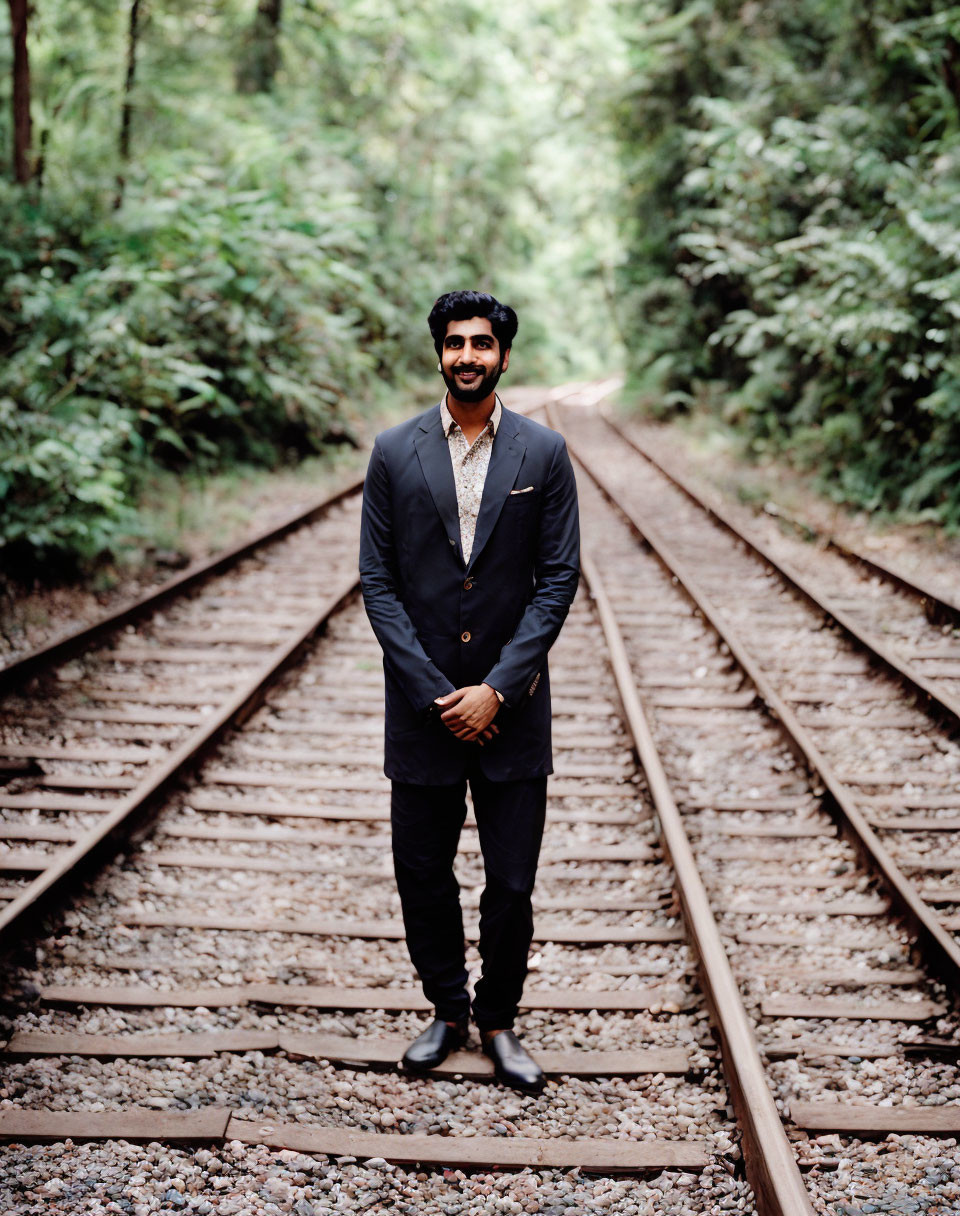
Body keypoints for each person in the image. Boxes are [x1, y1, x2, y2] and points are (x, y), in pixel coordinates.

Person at [358, 290, 580, 1094]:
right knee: (422, 869)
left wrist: (497, 688)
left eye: (483, 344)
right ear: (438, 353)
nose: (468, 356)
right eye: (455, 343)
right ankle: (447, 1010)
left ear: (505, 357)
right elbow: (376, 583)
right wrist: (434, 693)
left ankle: (498, 1019)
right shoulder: (393, 451)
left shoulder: (544, 454)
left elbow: (557, 581)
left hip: (512, 711)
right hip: (422, 712)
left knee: (511, 881)